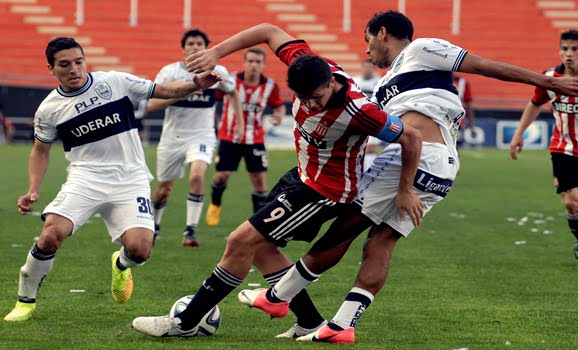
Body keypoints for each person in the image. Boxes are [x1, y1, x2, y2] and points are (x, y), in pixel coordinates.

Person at [234, 12, 578, 344]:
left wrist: (546, 81)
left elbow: (485, 66)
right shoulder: (387, 82)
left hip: (417, 158)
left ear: (383, 33)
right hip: (441, 167)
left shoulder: (421, 49)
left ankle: (279, 297)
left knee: (344, 228)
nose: (367, 48)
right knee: (380, 242)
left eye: (368, 39)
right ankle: (342, 326)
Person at [131, 23, 423, 338]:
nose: (310, 105)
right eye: (302, 98)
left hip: (324, 192)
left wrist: (405, 189)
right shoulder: (306, 63)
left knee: (241, 241)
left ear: (329, 83)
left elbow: (412, 137)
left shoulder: (359, 111)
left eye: (316, 98)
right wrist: (216, 52)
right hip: (301, 176)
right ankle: (309, 322)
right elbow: (269, 31)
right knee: (261, 248)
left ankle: (184, 323)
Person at [3, 37, 224, 322]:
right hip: (85, 179)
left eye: (79, 61)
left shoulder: (115, 82)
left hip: (130, 179)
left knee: (140, 250)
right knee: (50, 235)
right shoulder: (49, 109)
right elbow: (40, 151)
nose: (74, 69)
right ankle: (25, 302)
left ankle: (121, 264)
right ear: (51, 69)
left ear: (85, 60)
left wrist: (196, 84)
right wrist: (33, 189)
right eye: (64, 64)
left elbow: (163, 90)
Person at [510, 30, 578, 267]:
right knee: (571, 202)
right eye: (565, 49)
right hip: (563, 149)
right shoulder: (550, 77)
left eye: (575, 49)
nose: (569, 54)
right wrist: (519, 134)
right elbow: (534, 103)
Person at [149, 29, 244, 247]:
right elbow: (152, 104)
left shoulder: (218, 71)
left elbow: (233, 92)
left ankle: (190, 230)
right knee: (164, 189)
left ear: (206, 47)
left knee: (197, 175)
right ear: (183, 48)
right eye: (190, 43)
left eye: (199, 43)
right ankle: (154, 226)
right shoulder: (170, 72)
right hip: (173, 137)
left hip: (201, 135)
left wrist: (240, 122)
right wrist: (188, 89)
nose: (194, 46)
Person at [206, 47, 286, 226]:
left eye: (258, 62)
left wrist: (279, 115)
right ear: (245, 62)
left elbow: (279, 106)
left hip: (255, 139)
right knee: (221, 176)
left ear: (263, 64)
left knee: (259, 180)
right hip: (229, 137)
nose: (254, 65)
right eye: (250, 61)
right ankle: (215, 205)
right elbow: (213, 98)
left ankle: (257, 223)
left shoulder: (270, 86)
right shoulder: (231, 80)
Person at [452, 73, 475, 147]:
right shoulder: (439, 80)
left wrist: (471, 121)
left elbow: (468, 103)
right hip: (442, 117)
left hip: (458, 119)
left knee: (456, 143)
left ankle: (455, 158)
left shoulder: (463, 82)